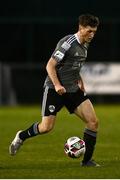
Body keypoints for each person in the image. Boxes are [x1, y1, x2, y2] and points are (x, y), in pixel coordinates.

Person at [9, 14, 100, 167]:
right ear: (81, 28)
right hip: (54, 89)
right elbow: (50, 65)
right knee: (46, 128)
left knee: (93, 122)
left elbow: (75, 65)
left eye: (94, 32)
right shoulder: (67, 43)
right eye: (89, 31)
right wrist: (57, 85)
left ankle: (87, 161)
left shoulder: (86, 43)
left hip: (73, 89)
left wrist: (80, 81)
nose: (92, 35)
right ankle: (21, 136)